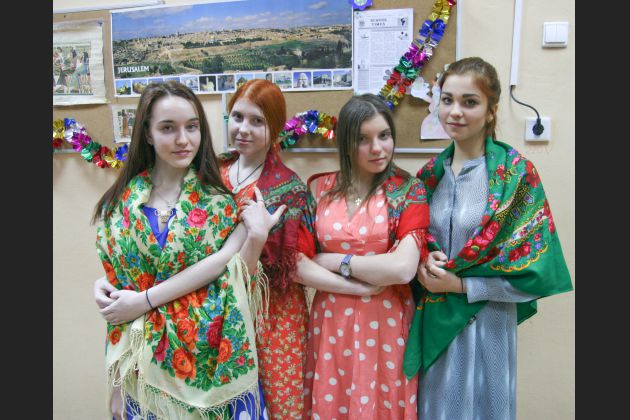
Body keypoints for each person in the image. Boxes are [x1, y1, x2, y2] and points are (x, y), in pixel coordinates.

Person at [92, 80, 286, 419]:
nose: (183, 140)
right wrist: (104, 288)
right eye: (168, 128)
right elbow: (121, 292)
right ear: (148, 133)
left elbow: (229, 274)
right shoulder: (121, 203)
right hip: (143, 371)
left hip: (211, 363)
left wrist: (144, 300)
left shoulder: (220, 202)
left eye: (192, 127)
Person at [402, 56, 573, 420]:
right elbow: (416, 242)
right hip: (437, 321)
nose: (455, 112)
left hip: (489, 322)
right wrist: (422, 263)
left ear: (491, 111)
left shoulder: (516, 177)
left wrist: (461, 285)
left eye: (470, 102)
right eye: (447, 100)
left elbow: (532, 275)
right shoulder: (428, 176)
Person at [299, 93, 430, 419]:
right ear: (346, 143)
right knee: (332, 401)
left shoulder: (408, 190)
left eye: (384, 136)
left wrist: (336, 261)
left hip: (386, 324)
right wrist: (357, 285)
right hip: (331, 322)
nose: (377, 148)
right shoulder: (318, 188)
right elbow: (296, 265)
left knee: (383, 403)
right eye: (363, 139)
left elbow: (402, 269)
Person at [217, 79, 318, 419]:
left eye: (257, 121)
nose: (243, 129)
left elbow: (297, 263)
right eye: (237, 117)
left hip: (274, 316)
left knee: (280, 405)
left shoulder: (289, 189)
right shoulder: (213, 173)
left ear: (274, 128)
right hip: (221, 306)